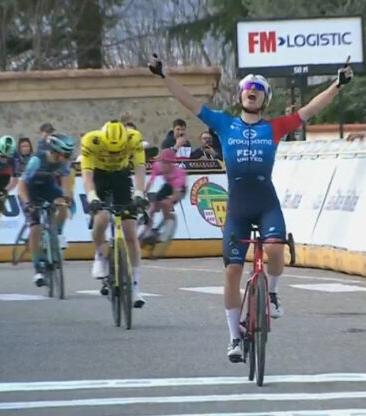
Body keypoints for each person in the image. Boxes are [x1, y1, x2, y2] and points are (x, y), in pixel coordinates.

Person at [149, 53, 353, 362]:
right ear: (241, 95)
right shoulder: (224, 124)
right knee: (232, 270)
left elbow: (311, 109)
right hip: (238, 208)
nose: (252, 91)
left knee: (275, 248)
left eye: (258, 88)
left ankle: (271, 294)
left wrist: (337, 84)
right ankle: (234, 337)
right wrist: (164, 75)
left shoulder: (275, 127)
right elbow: (189, 102)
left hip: (265, 202)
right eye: (247, 87)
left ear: (264, 98)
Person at [80, 122, 148, 307]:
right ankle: (100, 255)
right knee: (101, 219)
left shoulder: (134, 138)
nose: (114, 154)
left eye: (118, 151)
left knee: (130, 234)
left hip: (121, 176)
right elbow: (87, 173)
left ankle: (135, 286)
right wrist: (92, 196)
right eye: (110, 151)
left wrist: (139, 193)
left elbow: (140, 167)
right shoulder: (91, 140)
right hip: (99, 176)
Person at [18, 134, 75, 287]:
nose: (68, 158)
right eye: (66, 155)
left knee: (62, 205)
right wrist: (27, 203)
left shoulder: (62, 163)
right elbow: (22, 186)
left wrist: (68, 198)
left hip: (48, 189)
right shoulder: (36, 161)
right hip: (30, 192)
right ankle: (38, 266)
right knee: (36, 228)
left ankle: (58, 234)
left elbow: (66, 184)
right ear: (55, 152)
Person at [142, 148, 187, 241]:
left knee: (165, 204)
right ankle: (147, 230)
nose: (163, 165)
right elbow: (151, 181)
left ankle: (167, 229)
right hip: (169, 185)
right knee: (153, 208)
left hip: (180, 189)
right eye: (162, 162)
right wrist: (144, 192)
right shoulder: (157, 166)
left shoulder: (178, 173)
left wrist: (170, 201)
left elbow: (176, 193)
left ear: (172, 164)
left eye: (166, 163)